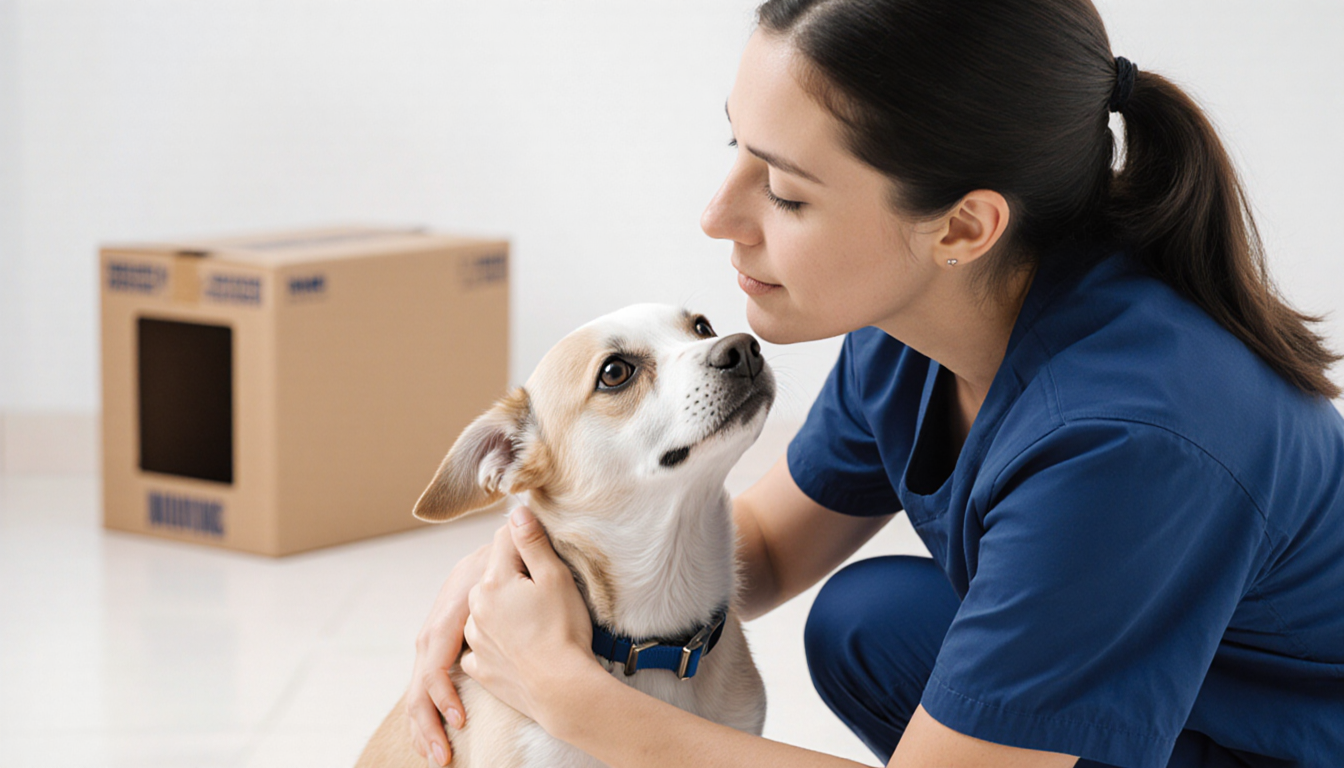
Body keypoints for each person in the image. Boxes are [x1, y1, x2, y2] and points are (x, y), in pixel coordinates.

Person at [403, 1, 1344, 766]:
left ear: (964, 227)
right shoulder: (922, 322)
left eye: (786, 191)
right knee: (869, 622)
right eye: (737, 148)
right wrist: (511, 579)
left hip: (1291, 740)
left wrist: (570, 697)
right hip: (1192, 687)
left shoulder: (1131, 440)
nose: (716, 215)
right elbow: (761, 551)